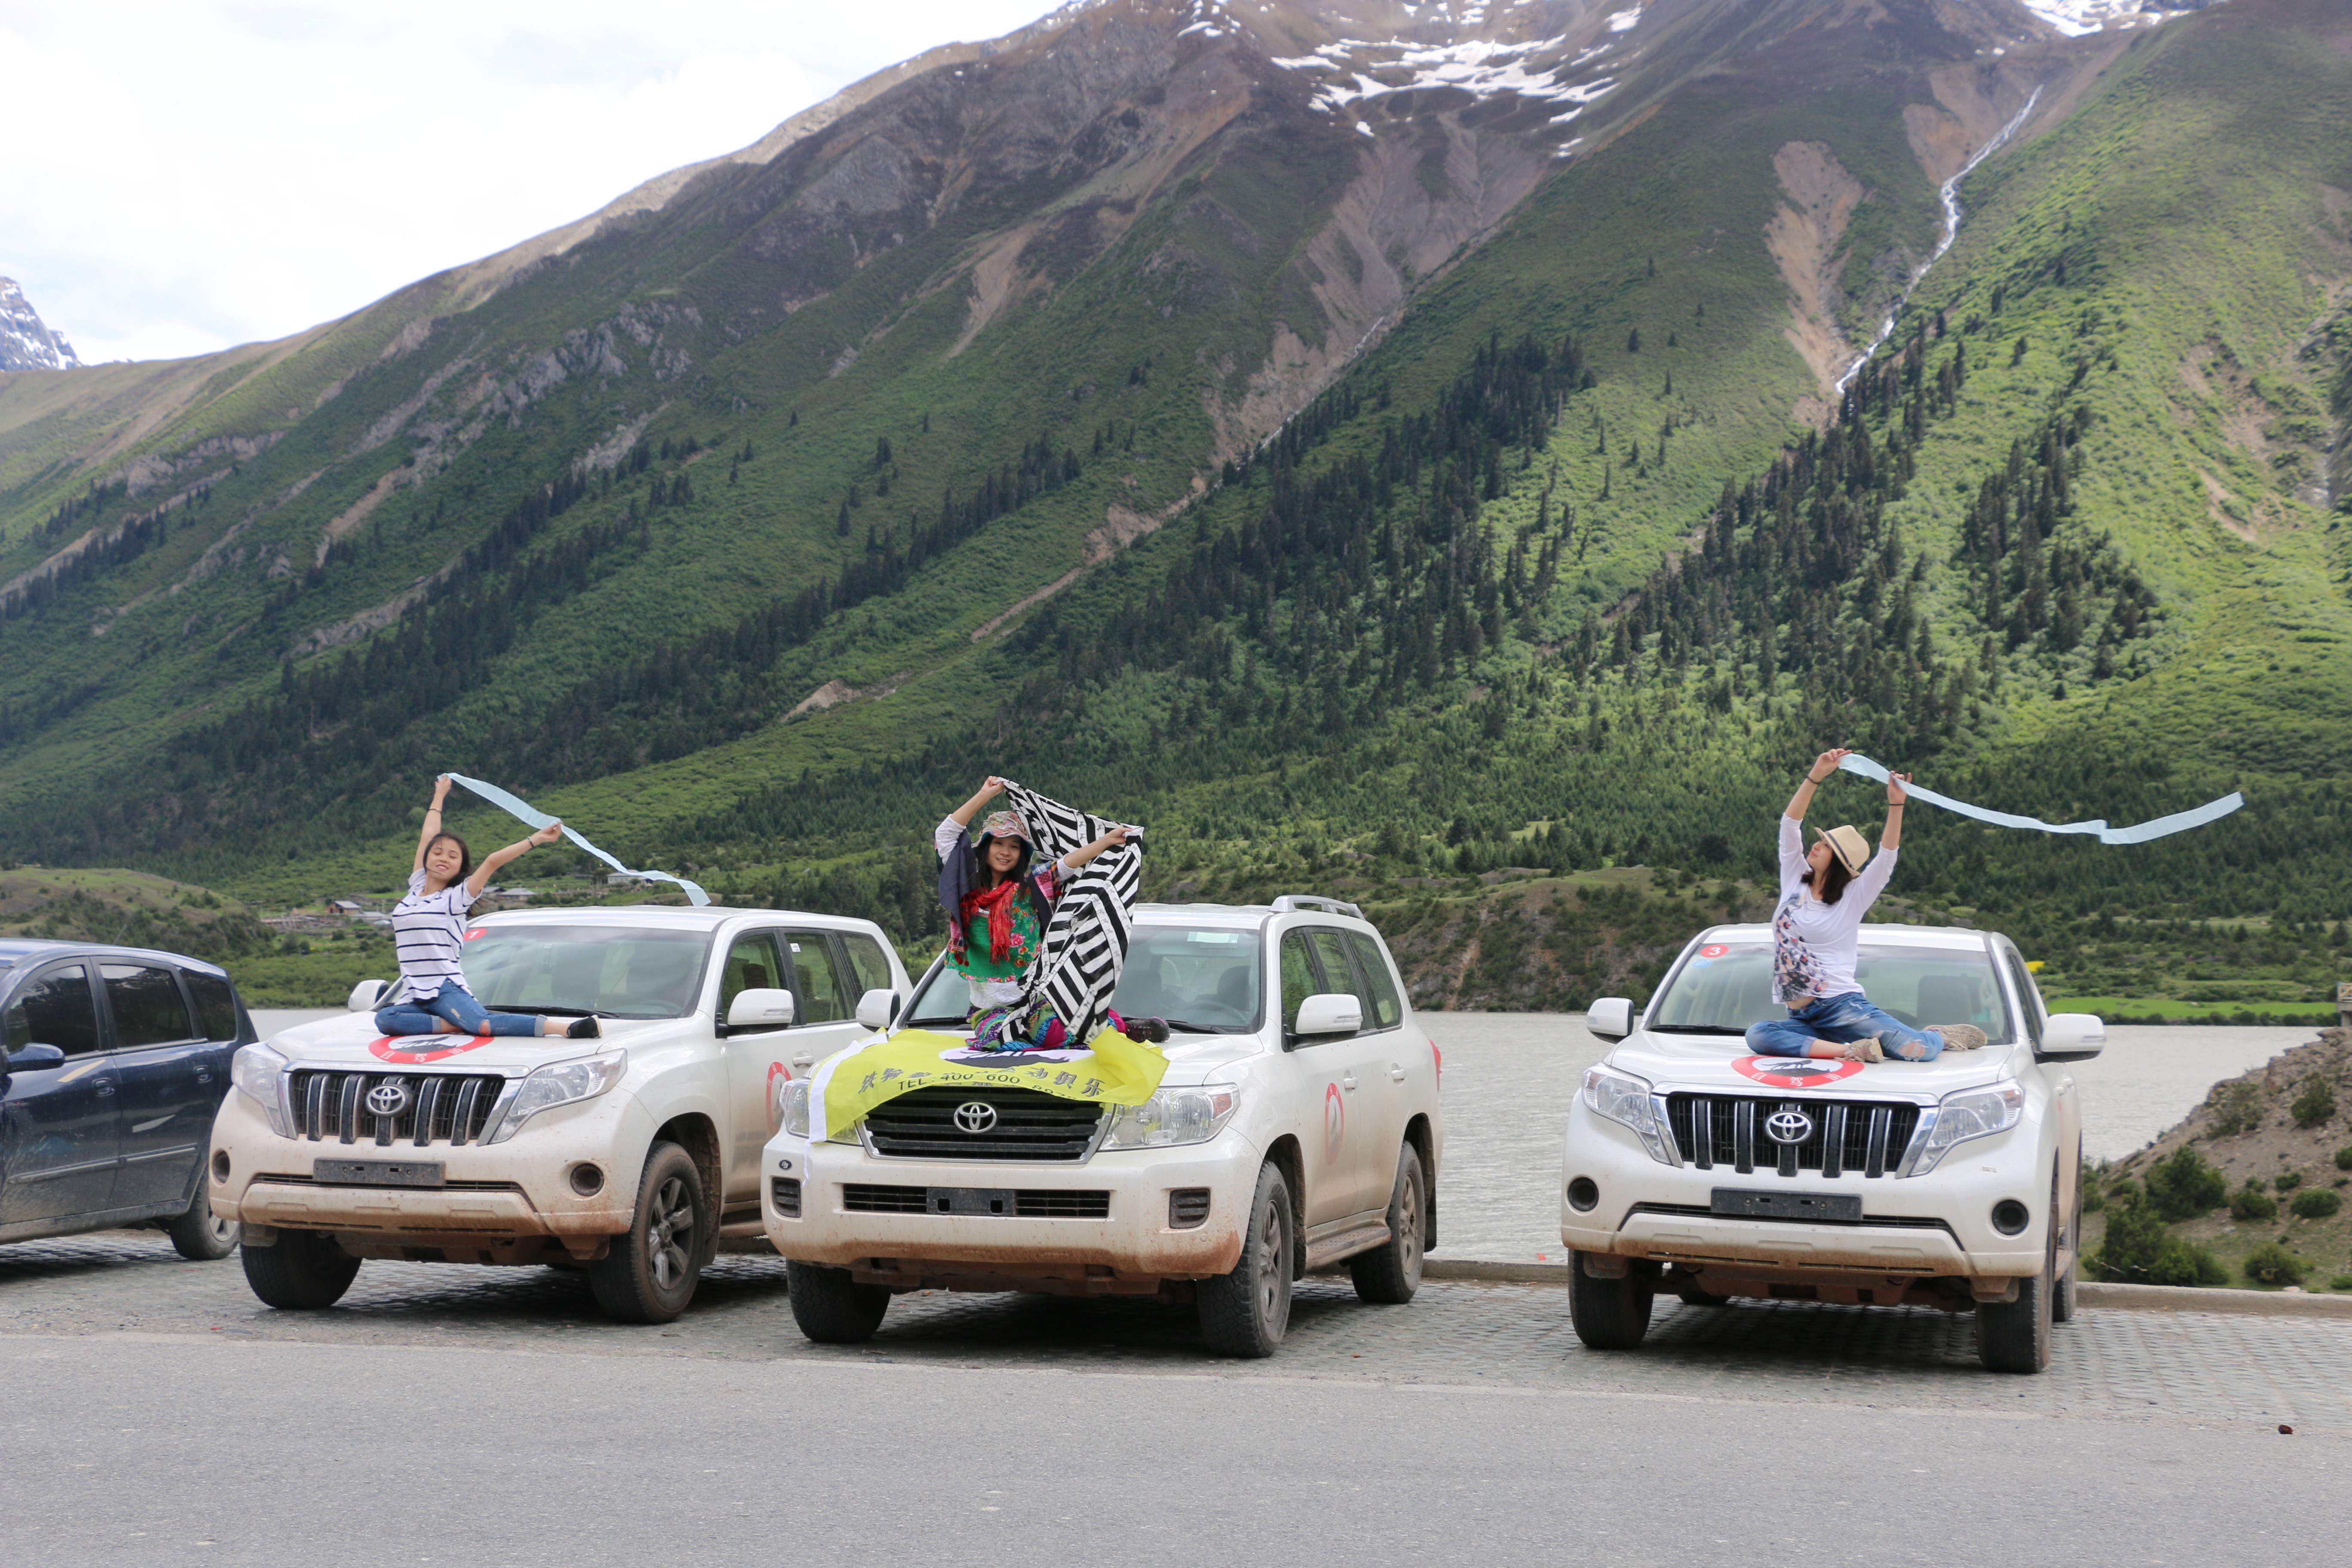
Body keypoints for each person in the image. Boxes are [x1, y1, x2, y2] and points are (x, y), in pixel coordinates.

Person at [1745, 749, 1988, 1063]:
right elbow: (1790, 825)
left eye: (1826, 845)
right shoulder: (1794, 878)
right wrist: (1815, 776)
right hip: (1802, 1015)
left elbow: (1887, 857)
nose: (1816, 845)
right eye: (1820, 841)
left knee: (1920, 1052)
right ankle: (1850, 1050)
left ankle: (1938, 1036)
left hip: (1843, 1007)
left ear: (1840, 862)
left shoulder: (1853, 898)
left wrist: (1896, 804)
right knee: (1759, 1035)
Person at [934, 776, 1155, 1050]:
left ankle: (1120, 1027)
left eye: (1014, 846)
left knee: (1052, 1033)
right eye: (999, 843)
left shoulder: (1032, 889)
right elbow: (946, 834)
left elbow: (1067, 864)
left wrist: (1107, 841)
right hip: (989, 1011)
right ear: (986, 847)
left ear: (1023, 853)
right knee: (1007, 1040)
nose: (1006, 852)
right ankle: (1102, 1028)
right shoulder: (966, 890)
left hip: (1038, 1001)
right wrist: (984, 795)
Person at [374, 775, 597, 1040]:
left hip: (445, 988)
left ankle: (565, 1028)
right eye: (438, 853)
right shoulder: (416, 884)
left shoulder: (456, 898)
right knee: (386, 1019)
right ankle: (458, 1024)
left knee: (482, 1025)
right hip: (414, 991)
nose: (443, 858)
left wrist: (536, 839)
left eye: (453, 856)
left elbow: (492, 862)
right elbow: (429, 835)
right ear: (427, 858)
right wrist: (440, 795)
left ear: (460, 866)